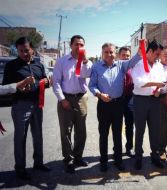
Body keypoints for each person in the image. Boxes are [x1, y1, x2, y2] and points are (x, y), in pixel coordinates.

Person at [2, 37, 51, 180]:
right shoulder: (11, 66)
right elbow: (6, 86)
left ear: (32, 50)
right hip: (20, 106)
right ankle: (20, 168)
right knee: (20, 137)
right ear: (17, 50)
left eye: (27, 50)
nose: (24, 53)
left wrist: (47, 82)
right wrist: (20, 88)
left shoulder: (39, 65)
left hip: (37, 105)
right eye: (21, 51)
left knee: (38, 135)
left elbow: (43, 81)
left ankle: (38, 162)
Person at [88, 43, 141, 172]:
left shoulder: (121, 65)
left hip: (118, 105)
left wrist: (141, 48)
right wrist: (100, 94)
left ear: (115, 54)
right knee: (104, 134)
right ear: (102, 53)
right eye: (106, 52)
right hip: (103, 105)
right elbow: (92, 85)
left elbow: (136, 58)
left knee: (117, 134)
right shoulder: (96, 67)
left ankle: (118, 161)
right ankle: (104, 161)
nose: (109, 54)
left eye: (111, 52)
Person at [52, 35, 93, 174]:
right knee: (66, 131)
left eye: (81, 44)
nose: (79, 47)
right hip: (66, 98)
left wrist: (85, 61)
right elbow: (56, 81)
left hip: (81, 98)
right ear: (70, 45)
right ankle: (68, 159)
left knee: (81, 131)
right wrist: (62, 99)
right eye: (76, 44)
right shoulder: (62, 61)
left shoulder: (87, 62)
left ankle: (78, 157)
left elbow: (87, 75)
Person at [131, 39, 166, 170]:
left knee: (155, 129)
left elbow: (162, 83)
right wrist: (155, 85)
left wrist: (161, 90)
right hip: (141, 100)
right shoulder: (139, 64)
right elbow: (138, 82)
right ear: (149, 51)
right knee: (139, 130)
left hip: (155, 100)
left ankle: (155, 156)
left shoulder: (159, 66)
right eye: (157, 54)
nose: (158, 57)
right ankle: (138, 157)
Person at [118, 46, 135, 158]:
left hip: (130, 99)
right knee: (117, 126)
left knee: (129, 126)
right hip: (117, 100)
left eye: (127, 56)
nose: (125, 57)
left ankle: (129, 148)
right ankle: (117, 149)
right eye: (123, 55)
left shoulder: (133, 67)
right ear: (119, 56)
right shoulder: (115, 67)